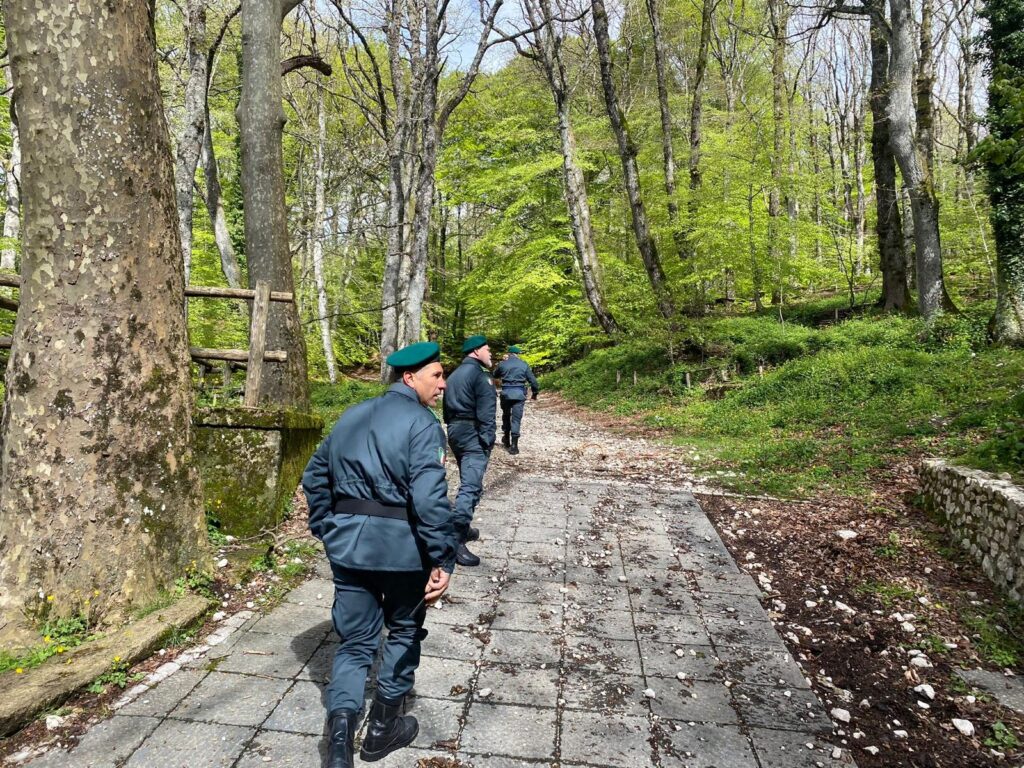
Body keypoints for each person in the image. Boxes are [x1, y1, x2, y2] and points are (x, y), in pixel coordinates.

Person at [302, 341, 456, 768]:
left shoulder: (351, 416)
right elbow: (429, 501)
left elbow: (314, 475)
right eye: (437, 375)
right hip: (402, 553)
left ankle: (338, 746)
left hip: (348, 547)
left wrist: (325, 526)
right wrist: (442, 558)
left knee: (354, 642)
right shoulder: (423, 426)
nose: (443, 384)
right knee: (404, 632)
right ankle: (382, 732)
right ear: (410, 378)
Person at [442, 334, 496, 567]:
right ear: (476, 352)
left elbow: (446, 408)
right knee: (471, 487)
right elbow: (487, 413)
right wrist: (487, 440)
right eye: (487, 349)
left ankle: (462, 528)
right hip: (472, 432)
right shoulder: (479, 376)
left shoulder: (453, 375)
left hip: (455, 431)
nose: (490, 353)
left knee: (469, 481)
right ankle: (454, 539)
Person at [493, 345, 540, 455]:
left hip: (505, 394)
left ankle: (506, 439)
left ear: (509, 353)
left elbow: (495, 374)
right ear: (518, 354)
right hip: (519, 394)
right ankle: (514, 446)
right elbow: (533, 381)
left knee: (506, 415)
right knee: (516, 419)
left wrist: (502, 363)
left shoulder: (503, 364)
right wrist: (535, 394)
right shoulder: (523, 364)